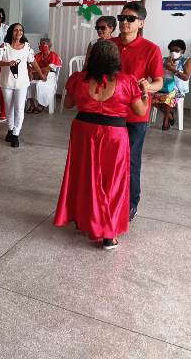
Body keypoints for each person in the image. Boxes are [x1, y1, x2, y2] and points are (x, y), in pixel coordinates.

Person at [54, 40, 149, 250]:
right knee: (112, 182)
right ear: (116, 59)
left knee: (84, 176)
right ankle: (107, 234)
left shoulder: (78, 79)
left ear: (91, 57)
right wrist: (144, 94)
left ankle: (83, 219)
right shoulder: (127, 81)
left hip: (83, 130)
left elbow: (68, 104)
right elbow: (141, 111)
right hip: (113, 134)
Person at [111, 2, 163, 221]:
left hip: (136, 114)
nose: (124, 22)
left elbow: (159, 81)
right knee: (109, 159)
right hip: (109, 112)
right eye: (122, 18)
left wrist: (148, 87)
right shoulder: (108, 45)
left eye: (130, 19)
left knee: (130, 159)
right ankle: (108, 199)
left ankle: (131, 203)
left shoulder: (151, 49)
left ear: (140, 23)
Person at [0, 23, 45, 147]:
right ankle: (10, 130)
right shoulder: (4, 46)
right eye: (16, 30)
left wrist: (41, 74)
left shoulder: (27, 47)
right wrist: (7, 63)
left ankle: (15, 134)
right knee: (8, 107)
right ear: (11, 32)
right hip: (6, 82)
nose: (18, 32)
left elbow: (32, 61)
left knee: (19, 108)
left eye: (21, 30)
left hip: (22, 83)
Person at [152, 40, 190, 130]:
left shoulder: (186, 61)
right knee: (150, 95)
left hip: (178, 90)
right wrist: (163, 67)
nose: (174, 53)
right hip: (163, 87)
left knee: (169, 96)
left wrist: (173, 69)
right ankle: (169, 115)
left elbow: (186, 77)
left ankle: (165, 121)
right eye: (171, 50)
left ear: (183, 51)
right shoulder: (164, 60)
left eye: (177, 51)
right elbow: (156, 74)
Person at [27, 37, 62, 113]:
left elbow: (48, 69)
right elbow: (30, 67)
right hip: (38, 74)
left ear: (49, 46)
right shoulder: (37, 56)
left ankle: (41, 104)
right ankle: (32, 105)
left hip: (50, 76)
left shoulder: (54, 55)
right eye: (40, 44)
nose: (41, 46)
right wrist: (32, 71)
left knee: (40, 84)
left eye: (44, 44)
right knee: (27, 83)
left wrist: (34, 70)